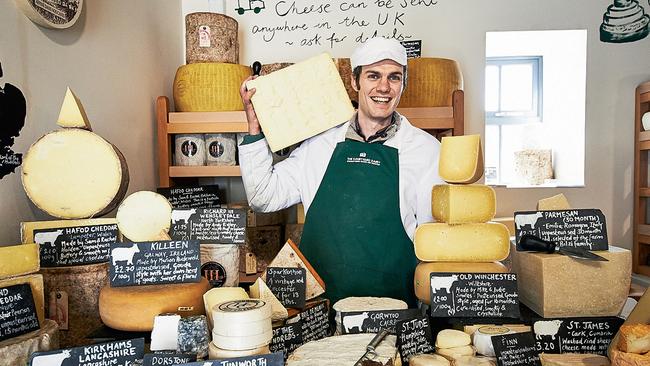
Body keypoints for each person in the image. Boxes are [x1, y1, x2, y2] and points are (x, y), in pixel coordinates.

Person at [238, 37, 443, 307]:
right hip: (320, 309)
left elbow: (434, 242)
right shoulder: (319, 144)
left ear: (403, 84)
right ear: (355, 82)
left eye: (394, 77)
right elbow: (263, 197)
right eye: (373, 75)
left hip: (393, 309)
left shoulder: (427, 150)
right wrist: (255, 130)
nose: (384, 87)